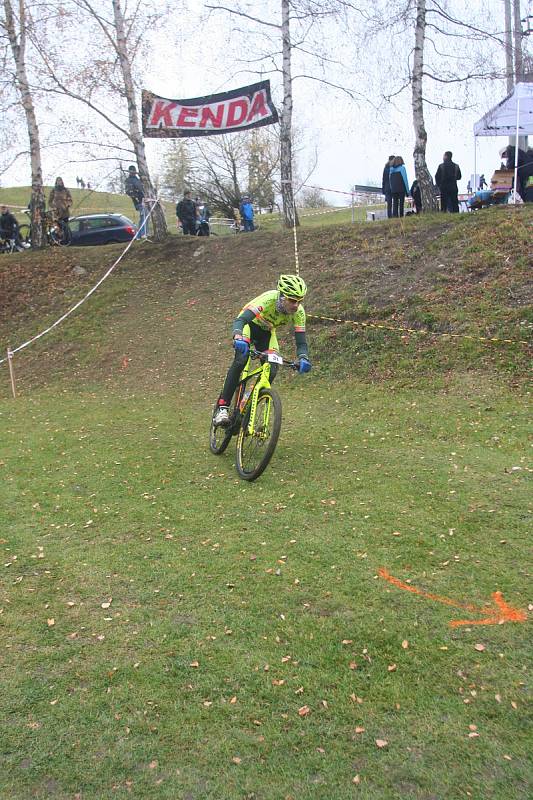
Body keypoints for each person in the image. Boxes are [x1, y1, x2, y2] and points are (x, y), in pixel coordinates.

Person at [213, 274, 312, 427]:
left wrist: (303, 358)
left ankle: (249, 402)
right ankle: (222, 408)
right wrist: (238, 336)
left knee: (272, 368)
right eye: (292, 300)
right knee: (240, 360)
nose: (296, 305)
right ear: (282, 297)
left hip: (267, 332)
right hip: (248, 326)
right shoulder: (268, 300)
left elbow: (301, 341)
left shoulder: (299, 313)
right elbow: (241, 320)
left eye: (300, 301)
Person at [125, 165, 148, 238]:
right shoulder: (128, 180)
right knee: (144, 215)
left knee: (144, 217)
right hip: (138, 202)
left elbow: (142, 189)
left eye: (134, 172)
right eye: (132, 172)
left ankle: (139, 235)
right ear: (129, 172)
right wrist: (137, 198)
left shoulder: (138, 179)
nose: (133, 173)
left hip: (144, 200)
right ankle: (143, 234)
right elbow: (129, 192)